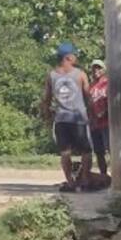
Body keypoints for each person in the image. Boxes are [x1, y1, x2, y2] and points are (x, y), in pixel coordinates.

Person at [42, 42, 92, 192]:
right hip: (78, 119)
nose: (76, 58)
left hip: (61, 120)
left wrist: (47, 116)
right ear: (69, 57)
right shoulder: (80, 74)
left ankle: (70, 181)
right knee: (87, 152)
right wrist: (91, 115)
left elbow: (46, 100)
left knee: (65, 152)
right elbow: (88, 97)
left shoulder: (51, 75)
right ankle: (84, 179)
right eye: (74, 55)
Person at [87, 59, 110, 178]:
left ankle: (118, 176)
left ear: (104, 70)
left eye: (99, 68)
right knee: (99, 151)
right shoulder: (91, 86)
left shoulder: (108, 84)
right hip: (94, 123)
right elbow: (89, 104)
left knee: (110, 149)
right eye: (94, 68)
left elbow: (111, 102)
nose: (96, 71)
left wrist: (105, 112)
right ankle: (103, 175)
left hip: (106, 122)